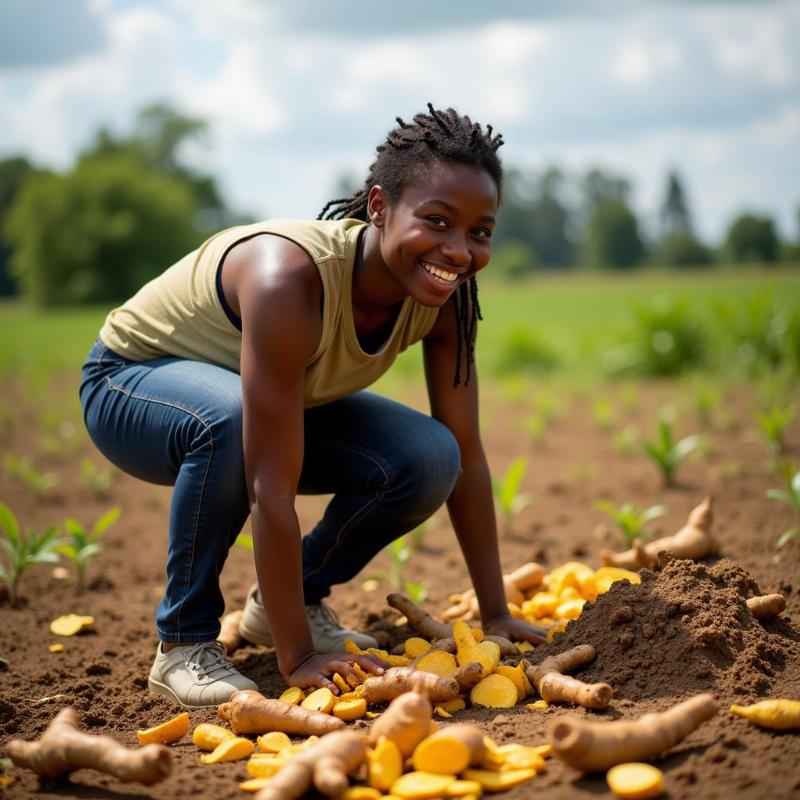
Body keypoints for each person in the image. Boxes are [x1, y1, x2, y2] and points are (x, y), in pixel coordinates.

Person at [79, 104, 547, 710]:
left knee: (432, 455)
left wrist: (496, 614)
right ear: (379, 207)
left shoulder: (446, 298)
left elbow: (470, 456)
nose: (458, 251)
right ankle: (184, 645)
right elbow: (269, 488)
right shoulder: (289, 280)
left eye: (479, 232)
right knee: (230, 420)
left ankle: (285, 605)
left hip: (257, 402)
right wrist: (299, 660)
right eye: (437, 221)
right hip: (129, 385)